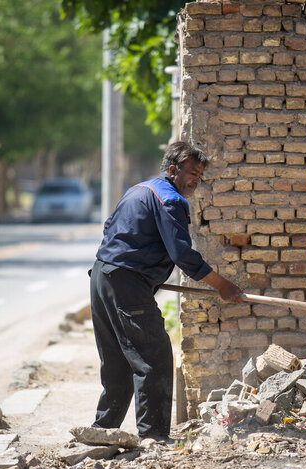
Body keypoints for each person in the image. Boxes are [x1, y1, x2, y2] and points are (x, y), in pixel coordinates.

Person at [89, 141, 243, 441]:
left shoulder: (139, 190)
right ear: (172, 170)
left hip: (101, 276)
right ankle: (155, 437)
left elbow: (110, 229)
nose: (196, 181)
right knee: (154, 357)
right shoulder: (170, 200)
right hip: (127, 283)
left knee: (118, 359)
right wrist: (222, 285)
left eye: (200, 176)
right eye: (192, 173)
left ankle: (103, 430)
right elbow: (182, 254)